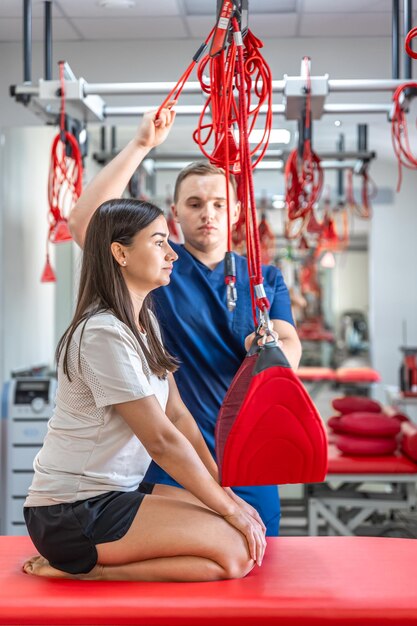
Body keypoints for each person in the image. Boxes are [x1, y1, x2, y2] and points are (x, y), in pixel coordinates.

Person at [23, 163, 267, 581]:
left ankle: (85, 564)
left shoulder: (144, 322)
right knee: (233, 553)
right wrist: (229, 508)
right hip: (70, 510)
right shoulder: (101, 333)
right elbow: (160, 439)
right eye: (159, 243)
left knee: (234, 531)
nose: (172, 253)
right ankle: (84, 572)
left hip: (114, 492)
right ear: (120, 253)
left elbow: (178, 417)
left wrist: (227, 495)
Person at [69, 104, 302, 537]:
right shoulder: (159, 270)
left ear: (235, 212)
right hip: (170, 460)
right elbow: (86, 223)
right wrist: (141, 144)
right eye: (194, 204)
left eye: (218, 203)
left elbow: (290, 343)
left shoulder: (263, 278)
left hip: (247, 458)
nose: (207, 213)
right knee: (181, 585)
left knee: (258, 570)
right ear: (175, 212)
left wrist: (269, 349)